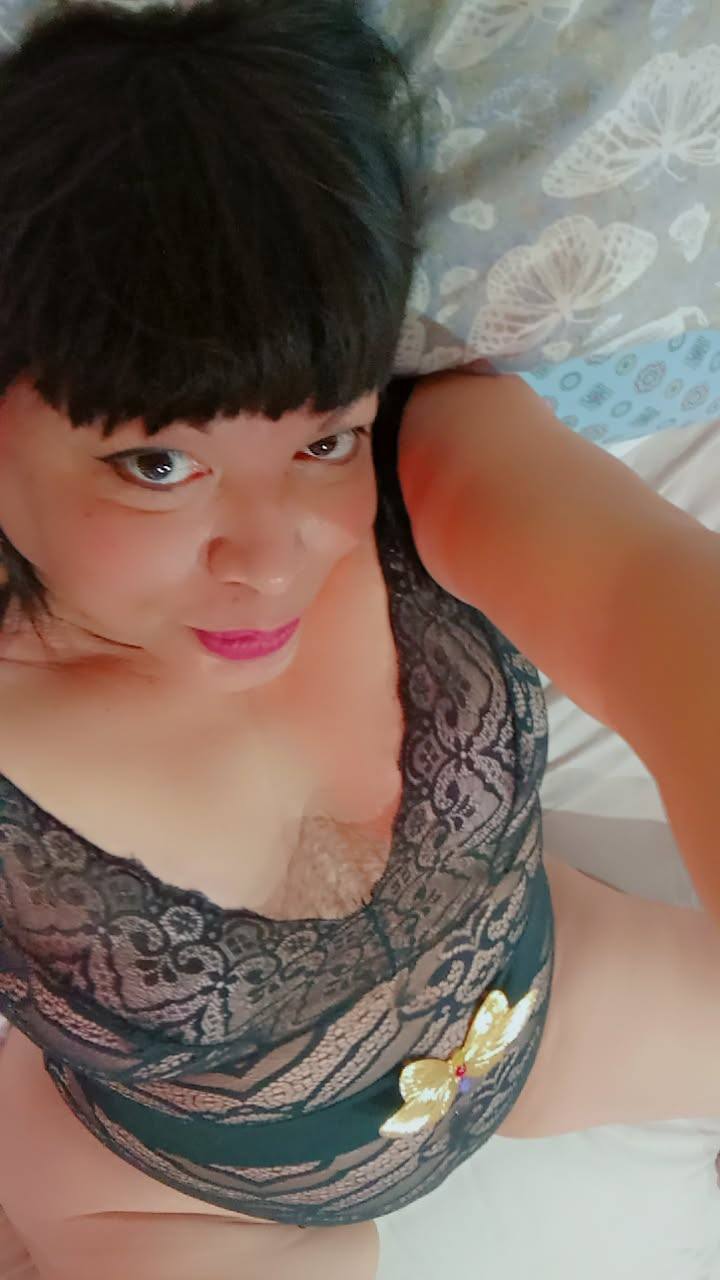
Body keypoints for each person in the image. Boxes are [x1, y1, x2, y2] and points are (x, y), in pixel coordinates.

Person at [0, 2, 718, 1278]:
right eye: (158, 463)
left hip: (530, 1009)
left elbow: (652, 608)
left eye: (322, 436)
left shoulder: (430, 461)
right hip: (180, 1198)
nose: (274, 556)